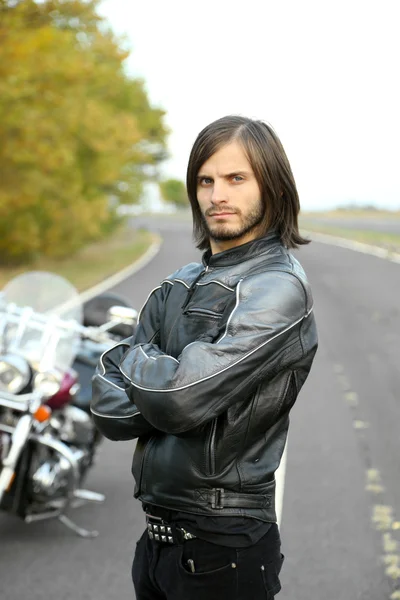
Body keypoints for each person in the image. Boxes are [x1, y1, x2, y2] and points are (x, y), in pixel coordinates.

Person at [90, 115, 318, 599]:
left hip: (224, 546)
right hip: (155, 544)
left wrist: (134, 358)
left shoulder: (277, 288)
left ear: (272, 187)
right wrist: (161, 374)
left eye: (237, 178)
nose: (218, 195)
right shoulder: (178, 283)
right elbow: (109, 410)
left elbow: (177, 399)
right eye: (205, 180)